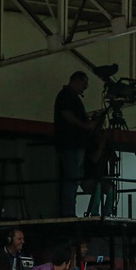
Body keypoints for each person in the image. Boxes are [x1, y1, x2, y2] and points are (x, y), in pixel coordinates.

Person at [55, 71, 104, 218]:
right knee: (73, 178)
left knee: (73, 178)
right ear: (76, 80)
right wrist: (86, 124)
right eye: (84, 84)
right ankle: (68, 212)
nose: (85, 88)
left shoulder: (67, 96)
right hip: (72, 144)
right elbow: (67, 115)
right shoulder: (67, 96)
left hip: (71, 144)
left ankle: (69, 211)